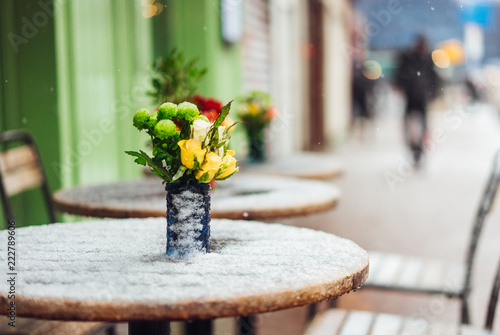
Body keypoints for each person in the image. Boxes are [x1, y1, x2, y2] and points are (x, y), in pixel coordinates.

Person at [394, 35, 440, 164]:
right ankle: (415, 145)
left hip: (417, 97)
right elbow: (434, 78)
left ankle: (417, 146)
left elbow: (434, 78)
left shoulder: (416, 58)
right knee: (415, 124)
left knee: (416, 124)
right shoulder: (422, 58)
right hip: (417, 97)